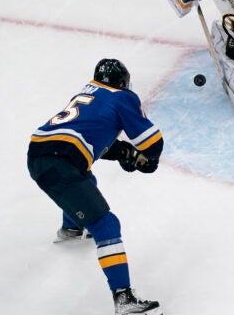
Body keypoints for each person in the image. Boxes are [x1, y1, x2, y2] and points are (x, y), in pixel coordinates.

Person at [27, 58, 163, 315]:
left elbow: (85, 136)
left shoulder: (87, 92)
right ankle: (124, 299)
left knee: (84, 179)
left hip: (39, 153)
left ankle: (72, 227)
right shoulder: (123, 97)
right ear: (123, 83)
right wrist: (146, 158)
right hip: (60, 162)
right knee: (106, 225)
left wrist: (122, 151)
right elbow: (152, 142)